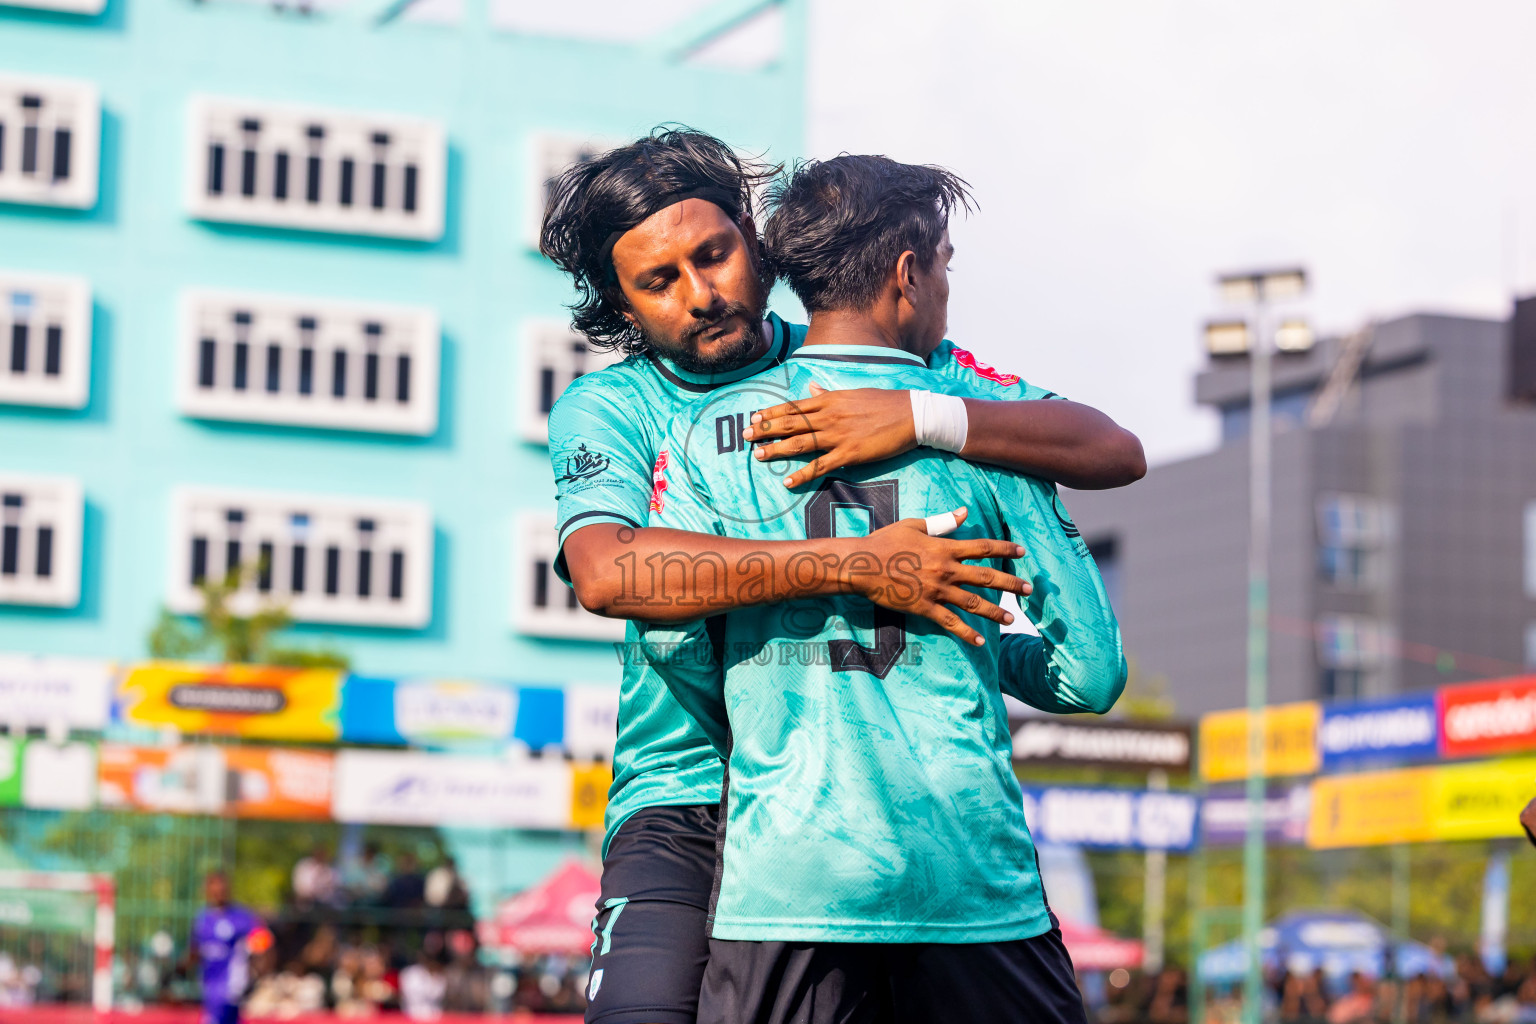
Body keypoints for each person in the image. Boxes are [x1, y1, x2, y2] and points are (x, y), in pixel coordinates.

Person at [540, 126, 1144, 1024]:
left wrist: (918, 415)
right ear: (622, 305)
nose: (702, 295)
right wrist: (858, 565)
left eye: (714, 255)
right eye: (660, 282)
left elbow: (1109, 447)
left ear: (755, 239)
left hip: (838, 806)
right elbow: (606, 572)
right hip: (685, 792)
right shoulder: (612, 405)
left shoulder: (891, 365)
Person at [186, 870, 272, 1024]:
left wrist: (259, 967)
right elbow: (194, 950)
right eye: (214, 886)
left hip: (232, 983)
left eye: (222, 886)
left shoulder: (241, 917)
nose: (218, 891)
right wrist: (182, 968)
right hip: (209, 982)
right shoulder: (202, 919)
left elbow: (262, 939)